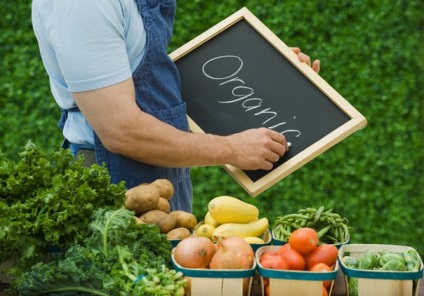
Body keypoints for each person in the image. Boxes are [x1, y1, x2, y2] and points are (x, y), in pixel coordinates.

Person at [31, 0, 320, 212]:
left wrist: (275, 76)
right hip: (111, 182)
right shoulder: (82, 6)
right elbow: (120, 130)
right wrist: (231, 149)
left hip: (166, 179)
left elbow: (151, 86)